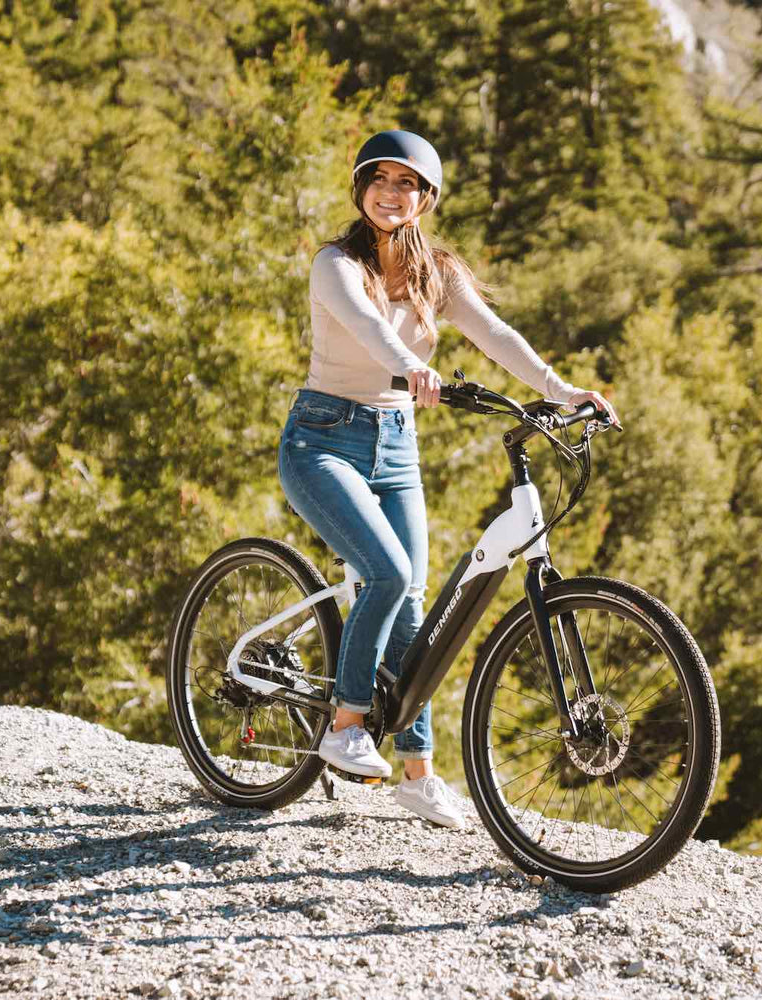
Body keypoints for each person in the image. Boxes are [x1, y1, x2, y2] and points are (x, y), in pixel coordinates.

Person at [277, 129, 617, 829]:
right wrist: (411, 365)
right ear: (361, 189)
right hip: (322, 439)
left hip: (396, 445)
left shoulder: (438, 273)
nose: (391, 193)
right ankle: (345, 724)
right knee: (390, 574)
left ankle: (418, 776)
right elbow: (368, 328)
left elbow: (495, 334)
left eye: (406, 183)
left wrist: (561, 391)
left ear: (425, 198)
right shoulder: (335, 264)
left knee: (413, 605)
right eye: (380, 179)